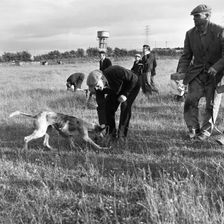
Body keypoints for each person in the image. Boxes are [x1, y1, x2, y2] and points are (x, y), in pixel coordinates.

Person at [176, 4, 224, 140]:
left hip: (215, 75)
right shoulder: (190, 34)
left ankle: (205, 132)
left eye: (197, 16)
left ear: (207, 16)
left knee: (211, 105)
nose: (194, 19)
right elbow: (186, 56)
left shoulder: (220, 31)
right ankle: (193, 129)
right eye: (193, 17)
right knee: (190, 101)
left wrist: (217, 67)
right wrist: (181, 72)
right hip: (196, 74)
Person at [87, 65, 140, 139]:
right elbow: (101, 106)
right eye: (95, 88)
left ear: (101, 78)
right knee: (108, 108)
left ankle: (122, 136)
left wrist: (125, 94)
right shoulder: (98, 89)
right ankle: (111, 134)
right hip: (115, 90)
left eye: (97, 85)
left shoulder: (115, 71)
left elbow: (134, 79)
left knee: (125, 107)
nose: (97, 88)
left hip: (131, 86)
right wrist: (102, 123)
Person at [87, 49, 112, 125]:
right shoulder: (100, 61)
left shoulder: (108, 61)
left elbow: (110, 69)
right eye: (99, 55)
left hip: (107, 76)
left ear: (104, 55)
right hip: (102, 76)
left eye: (101, 55)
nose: (100, 57)